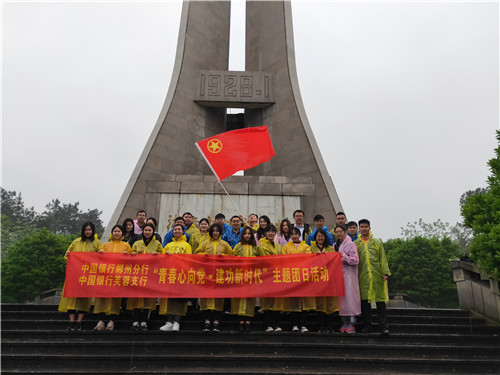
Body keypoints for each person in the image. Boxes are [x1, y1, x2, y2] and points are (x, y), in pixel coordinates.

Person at [58, 221, 103, 331]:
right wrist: (68, 256)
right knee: (71, 298)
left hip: (87, 275)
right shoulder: (76, 242)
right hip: (74, 275)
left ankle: (79, 322)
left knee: (84, 299)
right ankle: (72, 322)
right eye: (86, 230)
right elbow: (66, 256)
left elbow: (102, 257)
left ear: (93, 231)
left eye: (90, 230)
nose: (88, 232)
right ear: (83, 231)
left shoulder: (96, 243)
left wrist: (101, 252)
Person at [355, 219, 391, 336]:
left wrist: (385, 272)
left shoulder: (377, 242)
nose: (364, 228)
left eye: (366, 226)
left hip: (377, 276)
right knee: (365, 303)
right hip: (363, 277)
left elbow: (383, 258)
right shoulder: (356, 244)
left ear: (369, 228)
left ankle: (384, 327)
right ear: (359, 229)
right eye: (362, 227)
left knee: (380, 302)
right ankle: (367, 325)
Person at [195, 223, 233, 331]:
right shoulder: (205, 243)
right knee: (205, 298)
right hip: (207, 274)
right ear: (210, 232)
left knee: (218, 298)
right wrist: (204, 255)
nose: (215, 233)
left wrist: (224, 257)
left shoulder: (225, 244)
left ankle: (216, 321)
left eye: (217, 231)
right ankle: (207, 321)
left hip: (219, 275)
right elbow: (196, 254)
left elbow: (231, 256)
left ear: (220, 232)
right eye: (213, 231)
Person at [93, 224, 131, 331]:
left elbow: (131, 259)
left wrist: (127, 254)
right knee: (102, 298)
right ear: (112, 232)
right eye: (115, 231)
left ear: (122, 233)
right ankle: (100, 321)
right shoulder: (106, 245)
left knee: (115, 299)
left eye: (119, 231)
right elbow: (98, 258)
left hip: (118, 276)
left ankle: (111, 321)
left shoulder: (126, 245)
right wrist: (100, 253)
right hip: (105, 275)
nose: (117, 233)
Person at [127, 223, 163, 331]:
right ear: (143, 231)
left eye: (149, 230)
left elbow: (163, 256)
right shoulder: (137, 243)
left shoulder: (157, 244)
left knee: (148, 299)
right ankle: (136, 320)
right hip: (137, 274)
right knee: (136, 298)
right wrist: (132, 254)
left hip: (150, 275)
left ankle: (144, 321)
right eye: (146, 230)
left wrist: (158, 255)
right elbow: (130, 255)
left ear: (153, 232)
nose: (147, 232)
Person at [159, 223, 192, 332]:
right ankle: (169, 321)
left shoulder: (186, 245)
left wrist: (173, 256)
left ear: (183, 231)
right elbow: (162, 259)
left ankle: (177, 321)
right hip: (169, 274)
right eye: (175, 229)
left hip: (181, 275)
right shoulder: (168, 245)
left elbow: (188, 260)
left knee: (179, 300)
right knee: (169, 298)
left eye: (179, 229)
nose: (177, 231)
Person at [282, 227, 314, 332]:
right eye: (292, 234)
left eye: (296, 234)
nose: (294, 236)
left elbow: (308, 259)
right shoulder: (286, 247)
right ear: (290, 236)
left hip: (303, 276)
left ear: (299, 235)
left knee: (303, 302)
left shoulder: (305, 246)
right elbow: (284, 260)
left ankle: (303, 325)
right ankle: (294, 324)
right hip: (292, 276)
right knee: (293, 302)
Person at [231, 226, 261, 332]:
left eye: (249, 234)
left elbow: (262, 260)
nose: (247, 235)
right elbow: (231, 259)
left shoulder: (256, 247)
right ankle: (241, 321)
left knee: (249, 299)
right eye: (245, 234)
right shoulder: (238, 246)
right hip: (239, 277)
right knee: (239, 299)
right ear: (242, 235)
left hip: (251, 278)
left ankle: (248, 321)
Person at [309, 228, 338, 332]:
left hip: (328, 279)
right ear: (315, 238)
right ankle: (321, 326)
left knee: (329, 303)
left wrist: (327, 256)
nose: (320, 238)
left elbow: (334, 260)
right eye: (318, 236)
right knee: (320, 303)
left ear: (325, 238)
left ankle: (329, 325)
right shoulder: (311, 248)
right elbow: (308, 261)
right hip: (317, 280)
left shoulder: (330, 248)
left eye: (322, 236)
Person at [334, 224, 361, 334]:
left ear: (345, 233)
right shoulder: (334, 245)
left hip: (349, 276)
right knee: (342, 301)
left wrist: (343, 256)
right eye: (337, 232)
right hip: (339, 277)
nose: (339, 234)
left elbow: (355, 260)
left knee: (350, 300)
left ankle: (351, 323)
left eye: (341, 231)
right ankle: (344, 322)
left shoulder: (351, 244)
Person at [259, 225, 284, 332]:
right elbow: (265, 259)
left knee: (277, 301)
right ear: (265, 233)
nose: (270, 233)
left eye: (272, 231)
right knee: (267, 301)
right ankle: (268, 324)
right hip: (266, 276)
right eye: (268, 231)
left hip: (277, 276)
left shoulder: (279, 247)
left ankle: (277, 324)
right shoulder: (262, 245)